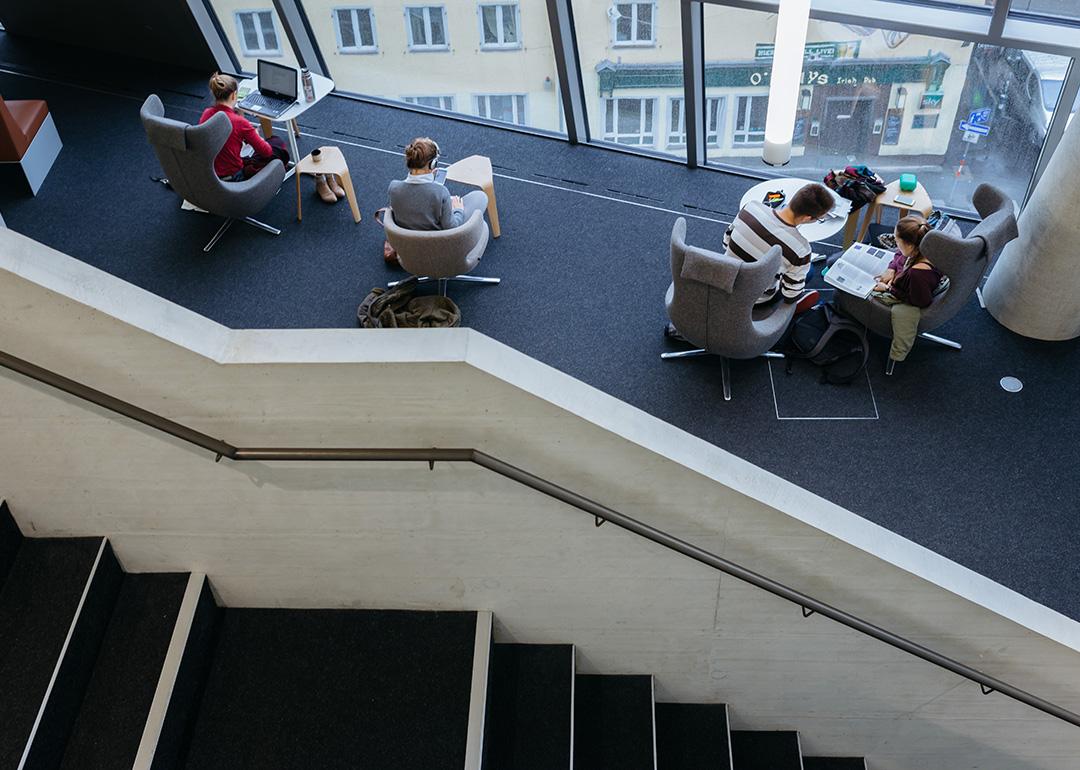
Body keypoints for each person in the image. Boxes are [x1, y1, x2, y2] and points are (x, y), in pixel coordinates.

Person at [200, 73, 342, 203]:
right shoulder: (240, 123)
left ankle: (322, 178)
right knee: (276, 143)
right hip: (234, 176)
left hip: (211, 173)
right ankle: (288, 174)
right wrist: (254, 135)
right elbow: (266, 152)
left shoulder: (207, 113)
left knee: (258, 146)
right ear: (233, 95)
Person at [724, 182, 836, 311]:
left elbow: (726, 243)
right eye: (819, 219)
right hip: (756, 300)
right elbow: (790, 295)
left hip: (724, 279)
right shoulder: (801, 249)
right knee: (809, 271)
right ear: (807, 218)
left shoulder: (750, 207)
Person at [869, 214, 944, 362]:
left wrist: (888, 289)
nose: (896, 244)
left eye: (897, 241)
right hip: (904, 280)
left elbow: (921, 301)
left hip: (908, 296)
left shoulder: (918, 274)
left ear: (909, 245)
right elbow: (900, 254)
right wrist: (891, 268)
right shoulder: (923, 247)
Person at [387, 137, 488, 230]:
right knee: (480, 197)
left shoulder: (394, 187)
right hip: (437, 240)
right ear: (433, 164)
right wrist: (458, 210)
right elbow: (452, 227)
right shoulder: (440, 192)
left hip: (405, 239)